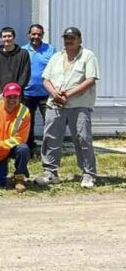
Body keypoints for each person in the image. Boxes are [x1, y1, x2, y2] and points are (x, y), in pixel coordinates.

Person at [35, 27, 100, 189]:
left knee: (83, 139)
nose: (68, 40)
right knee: (50, 138)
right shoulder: (56, 57)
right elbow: (46, 80)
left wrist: (68, 94)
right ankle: (50, 173)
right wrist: (54, 94)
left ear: (79, 39)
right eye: (66, 37)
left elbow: (90, 80)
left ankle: (88, 174)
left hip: (79, 105)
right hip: (55, 104)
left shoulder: (88, 56)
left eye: (72, 37)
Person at [21, 24, 56, 154]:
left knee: (50, 122)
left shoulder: (50, 50)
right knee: (28, 123)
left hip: (46, 94)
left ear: (43, 35)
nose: (36, 37)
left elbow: (56, 70)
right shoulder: (22, 50)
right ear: (28, 35)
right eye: (33, 34)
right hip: (26, 93)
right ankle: (29, 148)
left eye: (39, 34)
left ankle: (49, 149)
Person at [0, 27, 31, 100]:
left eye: (9, 36)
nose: (7, 39)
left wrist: (16, 91)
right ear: (0, 39)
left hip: (17, 95)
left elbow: (26, 74)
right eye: (4, 36)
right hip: (0, 97)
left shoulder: (23, 54)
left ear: (14, 38)